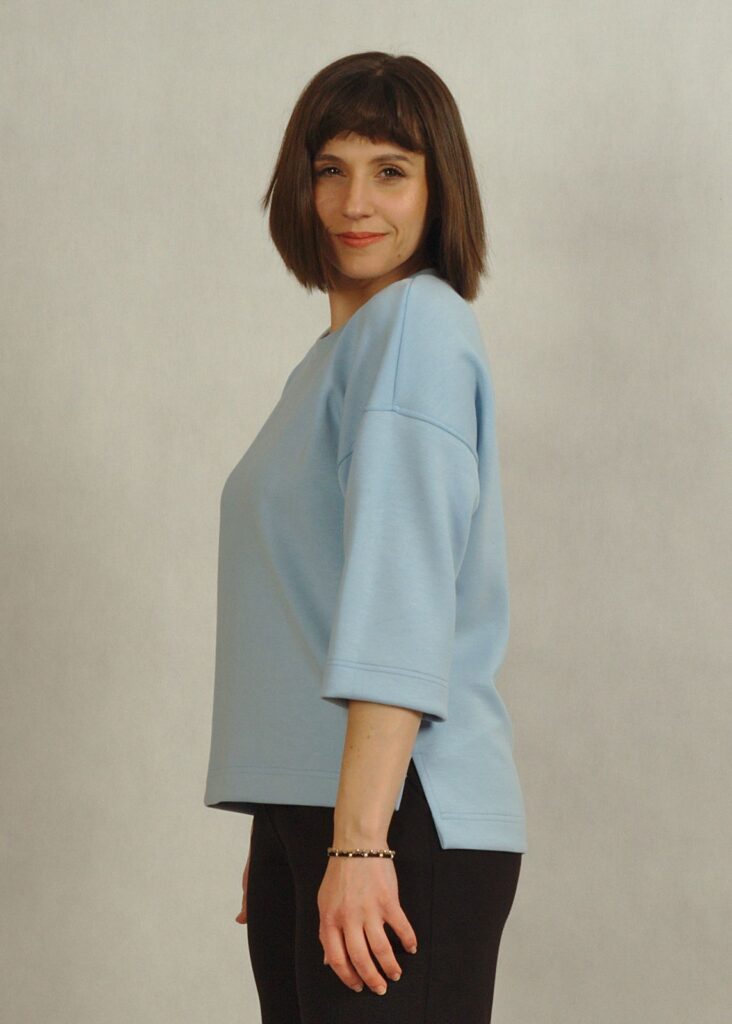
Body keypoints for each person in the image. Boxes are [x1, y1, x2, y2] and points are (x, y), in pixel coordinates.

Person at [203, 50, 528, 1023]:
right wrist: (288, 829)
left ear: (439, 189)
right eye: (329, 169)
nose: (355, 202)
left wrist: (354, 841)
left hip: (400, 813)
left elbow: (400, 597)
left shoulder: (416, 328)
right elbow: (304, 605)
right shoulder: (336, 356)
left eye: (391, 170)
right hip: (327, 812)